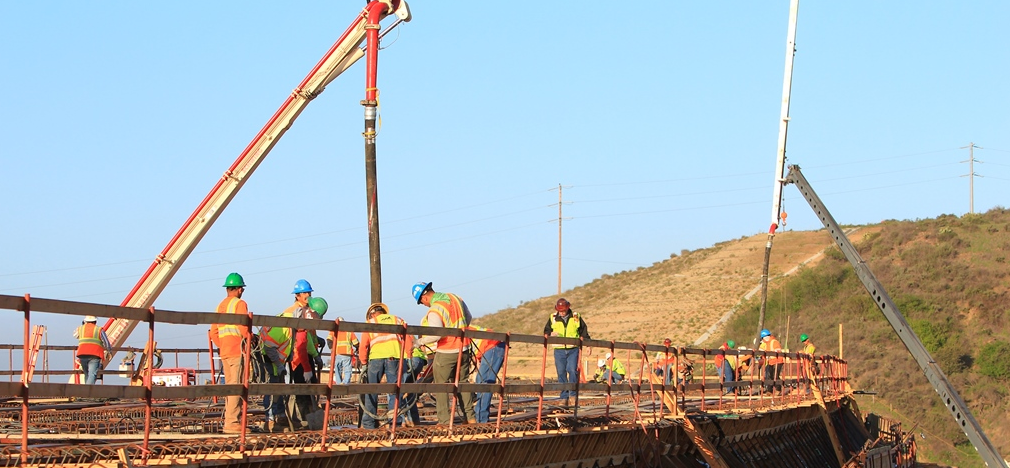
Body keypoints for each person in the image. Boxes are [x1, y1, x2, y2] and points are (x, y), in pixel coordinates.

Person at [412, 281, 477, 425]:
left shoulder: (435, 309)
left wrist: (418, 343)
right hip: (464, 348)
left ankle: (444, 421)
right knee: (463, 383)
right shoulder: (455, 298)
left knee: (440, 385)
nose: (424, 305)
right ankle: (470, 418)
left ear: (424, 298)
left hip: (447, 350)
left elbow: (437, 335)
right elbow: (468, 317)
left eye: (422, 303)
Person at [358, 302, 412, 429]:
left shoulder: (370, 323)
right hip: (395, 358)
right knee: (394, 392)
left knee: (371, 391)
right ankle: (394, 423)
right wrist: (409, 357)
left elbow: (363, 345)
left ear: (372, 314)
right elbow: (408, 339)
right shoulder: (397, 319)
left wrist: (364, 362)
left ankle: (368, 424)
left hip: (375, 359)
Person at [209, 272, 250, 434]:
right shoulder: (240, 304)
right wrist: (250, 340)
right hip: (236, 351)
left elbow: (213, 333)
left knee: (229, 386)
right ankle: (232, 422)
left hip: (225, 351)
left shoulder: (219, 306)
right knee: (236, 386)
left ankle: (230, 421)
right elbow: (243, 328)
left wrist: (223, 345)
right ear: (240, 289)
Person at [543, 298, 590, 407]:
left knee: (572, 370)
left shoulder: (575, 317)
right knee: (561, 372)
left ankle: (573, 395)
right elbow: (546, 331)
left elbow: (583, 331)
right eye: (560, 310)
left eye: (563, 310)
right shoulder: (553, 317)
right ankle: (564, 397)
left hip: (573, 349)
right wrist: (550, 334)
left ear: (568, 308)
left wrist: (587, 344)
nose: (562, 312)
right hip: (559, 350)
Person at [467, 324, 505, 423]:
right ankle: (480, 416)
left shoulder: (460, 330)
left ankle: (481, 419)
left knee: (485, 382)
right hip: (491, 348)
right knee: (481, 381)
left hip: (492, 346)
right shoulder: (465, 328)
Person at [73, 315, 111, 385]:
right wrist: (109, 351)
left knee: (86, 374)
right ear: (95, 321)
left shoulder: (80, 329)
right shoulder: (99, 329)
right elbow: (106, 342)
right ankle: (87, 394)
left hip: (82, 354)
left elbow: (75, 335)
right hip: (95, 354)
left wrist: (83, 326)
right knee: (92, 375)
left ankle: (86, 393)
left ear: (85, 321)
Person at [330, 315, 359, 385]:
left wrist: (332, 348)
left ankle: (338, 383)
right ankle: (345, 383)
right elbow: (356, 343)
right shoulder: (349, 331)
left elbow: (329, 340)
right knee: (347, 370)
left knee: (337, 369)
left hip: (337, 353)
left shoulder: (334, 330)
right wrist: (357, 348)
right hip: (347, 353)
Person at [758, 329, 784, 395]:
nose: (762, 340)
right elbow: (762, 352)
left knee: (775, 375)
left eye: (763, 338)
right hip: (770, 362)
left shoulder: (774, 342)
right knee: (769, 376)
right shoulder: (766, 344)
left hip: (777, 361)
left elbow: (778, 351)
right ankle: (769, 390)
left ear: (765, 337)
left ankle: (778, 389)